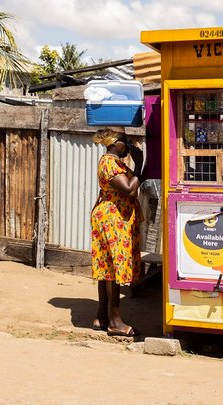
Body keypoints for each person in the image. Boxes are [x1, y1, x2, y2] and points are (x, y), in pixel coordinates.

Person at [90, 127, 144, 337]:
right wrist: (139, 164)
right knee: (112, 269)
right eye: (126, 141)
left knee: (107, 268)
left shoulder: (116, 163)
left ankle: (102, 316)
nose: (128, 146)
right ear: (115, 142)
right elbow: (130, 188)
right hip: (112, 218)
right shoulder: (109, 163)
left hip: (114, 217)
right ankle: (115, 322)